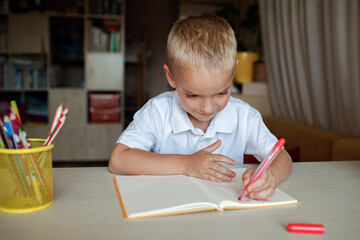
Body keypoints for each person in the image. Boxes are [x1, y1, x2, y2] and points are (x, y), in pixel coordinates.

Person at [109, 14, 292, 200]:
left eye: (221, 93)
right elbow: (119, 160)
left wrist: (271, 177)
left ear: (233, 72)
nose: (207, 108)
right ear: (171, 77)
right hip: (170, 210)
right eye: (192, 95)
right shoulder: (158, 111)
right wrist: (186, 164)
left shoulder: (244, 116)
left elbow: (282, 158)